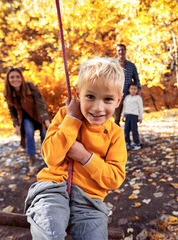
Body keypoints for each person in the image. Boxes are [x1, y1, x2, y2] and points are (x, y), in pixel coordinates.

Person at [24, 57, 127, 240]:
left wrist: (86, 157)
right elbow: (51, 157)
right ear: (78, 94)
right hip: (52, 189)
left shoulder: (115, 134)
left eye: (108, 99)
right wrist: (72, 120)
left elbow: (114, 178)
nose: (98, 107)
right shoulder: (65, 115)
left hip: (90, 201)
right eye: (90, 96)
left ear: (118, 100)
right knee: (49, 230)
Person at [4, 67, 50, 175]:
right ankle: (33, 162)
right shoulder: (9, 93)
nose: (15, 79)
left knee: (45, 135)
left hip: (38, 115)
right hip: (25, 119)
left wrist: (46, 120)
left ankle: (48, 162)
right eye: (12, 77)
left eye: (18, 77)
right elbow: (12, 111)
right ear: (8, 79)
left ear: (22, 78)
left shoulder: (30, 87)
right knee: (29, 133)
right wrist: (16, 125)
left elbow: (41, 104)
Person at [113, 43, 141, 126]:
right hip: (116, 95)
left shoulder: (131, 66)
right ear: (116, 52)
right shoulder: (113, 65)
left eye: (122, 50)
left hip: (129, 96)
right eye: (119, 50)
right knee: (116, 119)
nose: (121, 52)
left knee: (129, 119)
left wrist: (138, 91)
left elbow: (136, 79)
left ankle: (127, 137)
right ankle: (116, 138)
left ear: (125, 51)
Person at [121, 82, 143, 150]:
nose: (133, 90)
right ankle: (127, 143)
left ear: (137, 90)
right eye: (132, 89)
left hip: (134, 116)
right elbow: (124, 107)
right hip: (127, 115)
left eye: (135, 89)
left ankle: (136, 143)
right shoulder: (127, 97)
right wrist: (122, 115)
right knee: (126, 130)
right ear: (129, 90)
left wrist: (141, 117)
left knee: (134, 129)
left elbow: (140, 108)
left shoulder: (138, 98)